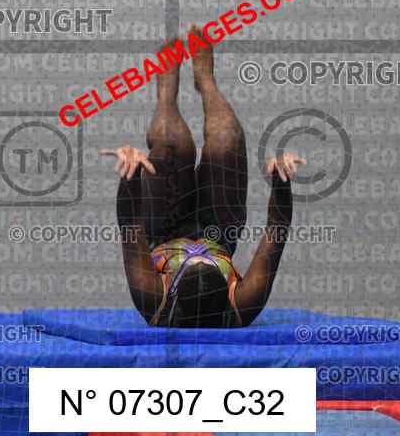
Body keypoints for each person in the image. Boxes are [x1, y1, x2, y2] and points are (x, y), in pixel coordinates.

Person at [100, 25, 305, 328]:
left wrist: (130, 176)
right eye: (204, 263)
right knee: (226, 139)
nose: (197, 256)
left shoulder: (152, 298)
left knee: (170, 141)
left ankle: (166, 95)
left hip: (163, 231)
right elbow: (277, 228)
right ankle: (205, 80)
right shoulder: (244, 302)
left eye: (189, 265)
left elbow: (130, 226)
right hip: (219, 231)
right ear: (230, 290)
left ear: (171, 290)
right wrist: (281, 181)